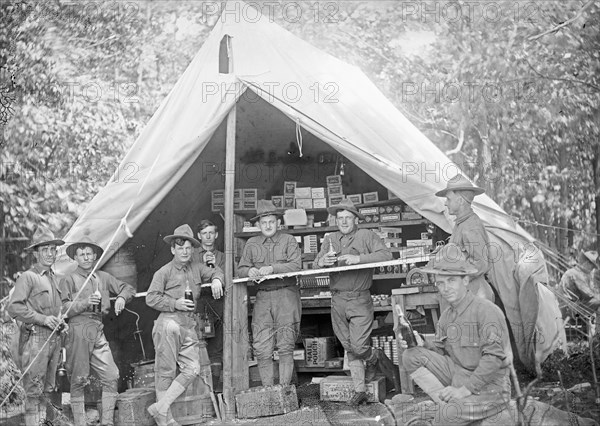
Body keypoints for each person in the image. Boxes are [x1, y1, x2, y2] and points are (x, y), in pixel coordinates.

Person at [401, 243, 511, 425]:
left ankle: (450, 408)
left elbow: (493, 358)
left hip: (490, 388)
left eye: (451, 280)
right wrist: (423, 345)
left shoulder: (486, 311)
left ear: (465, 280)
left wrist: (464, 390)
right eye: (441, 283)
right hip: (459, 375)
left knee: (444, 417)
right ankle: (443, 401)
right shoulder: (446, 316)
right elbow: (441, 352)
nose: (445, 288)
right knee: (411, 356)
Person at [314, 198, 394, 405]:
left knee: (358, 346)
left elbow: (386, 254)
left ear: (355, 219)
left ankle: (374, 356)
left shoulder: (366, 235)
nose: (343, 222)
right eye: (340, 218)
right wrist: (322, 262)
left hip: (359, 298)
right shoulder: (330, 238)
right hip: (337, 299)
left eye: (348, 218)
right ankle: (360, 390)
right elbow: (316, 263)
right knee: (349, 346)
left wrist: (359, 259)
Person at [146, 224, 224, 426]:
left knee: (192, 369)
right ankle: (166, 419)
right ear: (173, 249)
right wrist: (174, 303)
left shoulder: (197, 268)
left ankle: (160, 408)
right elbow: (151, 298)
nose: (185, 251)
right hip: (168, 324)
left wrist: (216, 279)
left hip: (188, 326)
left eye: (188, 248)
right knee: (165, 372)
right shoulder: (163, 272)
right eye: (180, 247)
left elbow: (217, 272)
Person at [59, 236, 136, 426]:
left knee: (112, 376)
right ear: (75, 257)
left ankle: (107, 422)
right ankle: (80, 423)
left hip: (98, 330)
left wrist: (122, 298)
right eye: (81, 254)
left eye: (89, 254)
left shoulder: (103, 277)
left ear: (95, 255)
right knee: (79, 379)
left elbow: (128, 288)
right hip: (78, 330)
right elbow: (64, 309)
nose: (86, 257)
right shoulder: (68, 279)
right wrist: (85, 302)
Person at [6, 226, 68, 426]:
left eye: (52, 249)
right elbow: (13, 308)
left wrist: (60, 322)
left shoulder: (54, 278)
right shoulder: (28, 277)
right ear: (35, 253)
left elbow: (54, 311)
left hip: (53, 339)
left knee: (49, 388)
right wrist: (42, 319)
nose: (50, 254)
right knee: (34, 389)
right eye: (45, 250)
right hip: (35, 339)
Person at [237, 200, 301, 387]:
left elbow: (296, 265)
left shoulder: (288, 240)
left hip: (286, 295)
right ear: (258, 224)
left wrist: (272, 268)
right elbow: (241, 269)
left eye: (271, 222)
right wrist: (249, 272)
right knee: (262, 346)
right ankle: (268, 391)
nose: (268, 226)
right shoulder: (251, 243)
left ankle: (284, 391)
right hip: (263, 297)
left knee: (285, 345)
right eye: (264, 222)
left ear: (278, 223)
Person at [435, 174, 494, 301]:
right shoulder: (461, 224)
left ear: (460, 201)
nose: (446, 203)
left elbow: (480, 264)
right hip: (468, 294)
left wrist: (454, 275)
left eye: (449, 199)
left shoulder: (470, 227)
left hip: (476, 295)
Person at [193, 220, 226, 363]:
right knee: (197, 344)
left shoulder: (223, 257)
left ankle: (215, 384)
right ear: (199, 236)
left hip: (217, 301)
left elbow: (227, 276)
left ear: (216, 235)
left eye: (211, 233)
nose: (207, 236)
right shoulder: (192, 255)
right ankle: (201, 383)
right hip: (197, 302)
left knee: (216, 346)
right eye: (204, 233)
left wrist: (215, 266)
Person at [558, 250, 600, 315]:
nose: (592, 269)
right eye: (592, 266)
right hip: (570, 309)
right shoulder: (576, 274)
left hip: (570, 307)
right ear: (587, 263)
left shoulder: (577, 272)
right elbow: (589, 294)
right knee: (597, 300)